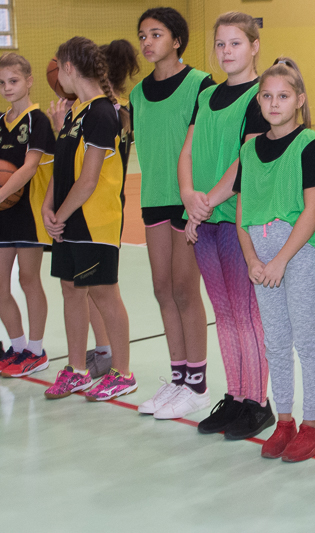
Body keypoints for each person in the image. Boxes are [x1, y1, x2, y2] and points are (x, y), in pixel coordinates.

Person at [232, 58, 315, 461]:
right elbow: (242, 212)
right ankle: (285, 420)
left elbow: (313, 209)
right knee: (275, 342)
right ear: (259, 101)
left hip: (299, 253)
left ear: (299, 100)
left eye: (284, 96)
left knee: (305, 339)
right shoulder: (249, 149)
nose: (274, 104)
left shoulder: (311, 144)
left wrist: (281, 260)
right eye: (267, 96)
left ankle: (312, 425)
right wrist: (252, 259)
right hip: (261, 258)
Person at [179, 12, 272, 439]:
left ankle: (258, 403)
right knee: (224, 313)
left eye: (236, 43)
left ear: (254, 46)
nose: (227, 51)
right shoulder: (206, 96)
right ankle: (235, 395)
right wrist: (188, 196)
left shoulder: (259, 97)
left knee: (247, 314)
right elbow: (187, 151)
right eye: (220, 44)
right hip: (205, 219)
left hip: (237, 220)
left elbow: (246, 160)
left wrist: (207, 203)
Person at [131, 7, 215, 419]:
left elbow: (208, 143)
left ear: (177, 40)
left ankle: (197, 385)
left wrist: (202, 197)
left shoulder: (201, 85)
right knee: (162, 289)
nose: (147, 42)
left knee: (184, 290)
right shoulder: (136, 94)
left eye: (156, 34)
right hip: (153, 198)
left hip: (188, 199)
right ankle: (178, 378)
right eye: (143, 36)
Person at [42, 36, 136, 401]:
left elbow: (89, 179)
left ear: (68, 67)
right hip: (67, 219)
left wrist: (59, 215)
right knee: (71, 290)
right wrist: (48, 207)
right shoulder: (74, 113)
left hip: (95, 221)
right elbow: (63, 167)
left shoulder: (101, 113)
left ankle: (123, 373)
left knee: (104, 293)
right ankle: (77, 369)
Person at [0, 53, 55, 378]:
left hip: (29, 213)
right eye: (2, 82)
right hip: (3, 215)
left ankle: (36, 351)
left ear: (29, 81)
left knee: (28, 278)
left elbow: (30, 167)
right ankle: (18, 347)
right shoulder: (0, 121)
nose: (7, 87)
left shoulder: (37, 120)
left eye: (14, 80)